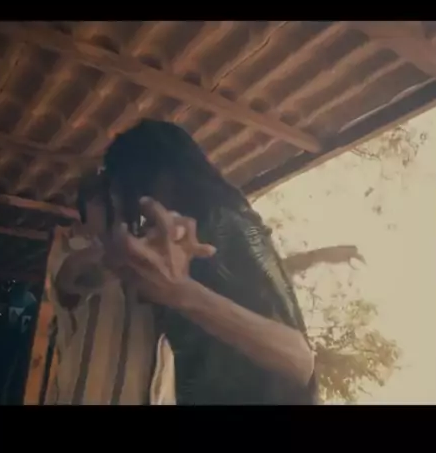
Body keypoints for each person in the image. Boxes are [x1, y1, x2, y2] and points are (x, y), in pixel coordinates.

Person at [100, 119, 319, 404]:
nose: (134, 201)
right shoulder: (173, 243)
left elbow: (299, 359)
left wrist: (181, 292)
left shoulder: (222, 223)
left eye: (131, 186)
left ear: (162, 175)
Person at [42, 171, 176, 405]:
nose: (112, 207)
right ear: (85, 209)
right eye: (99, 199)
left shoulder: (158, 258)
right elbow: (72, 278)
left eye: (116, 197)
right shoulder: (70, 249)